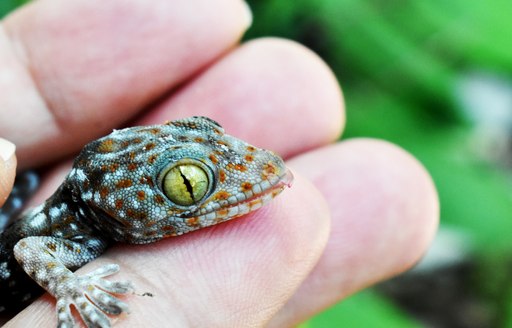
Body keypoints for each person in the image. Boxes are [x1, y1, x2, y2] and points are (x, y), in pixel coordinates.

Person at [0, 0, 438, 326]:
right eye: (187, 186)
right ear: (112, 207)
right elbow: (29, 248)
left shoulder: (79, 217)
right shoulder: (62, 238)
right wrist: (72, 289)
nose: (258, 166)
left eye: (206, 128)